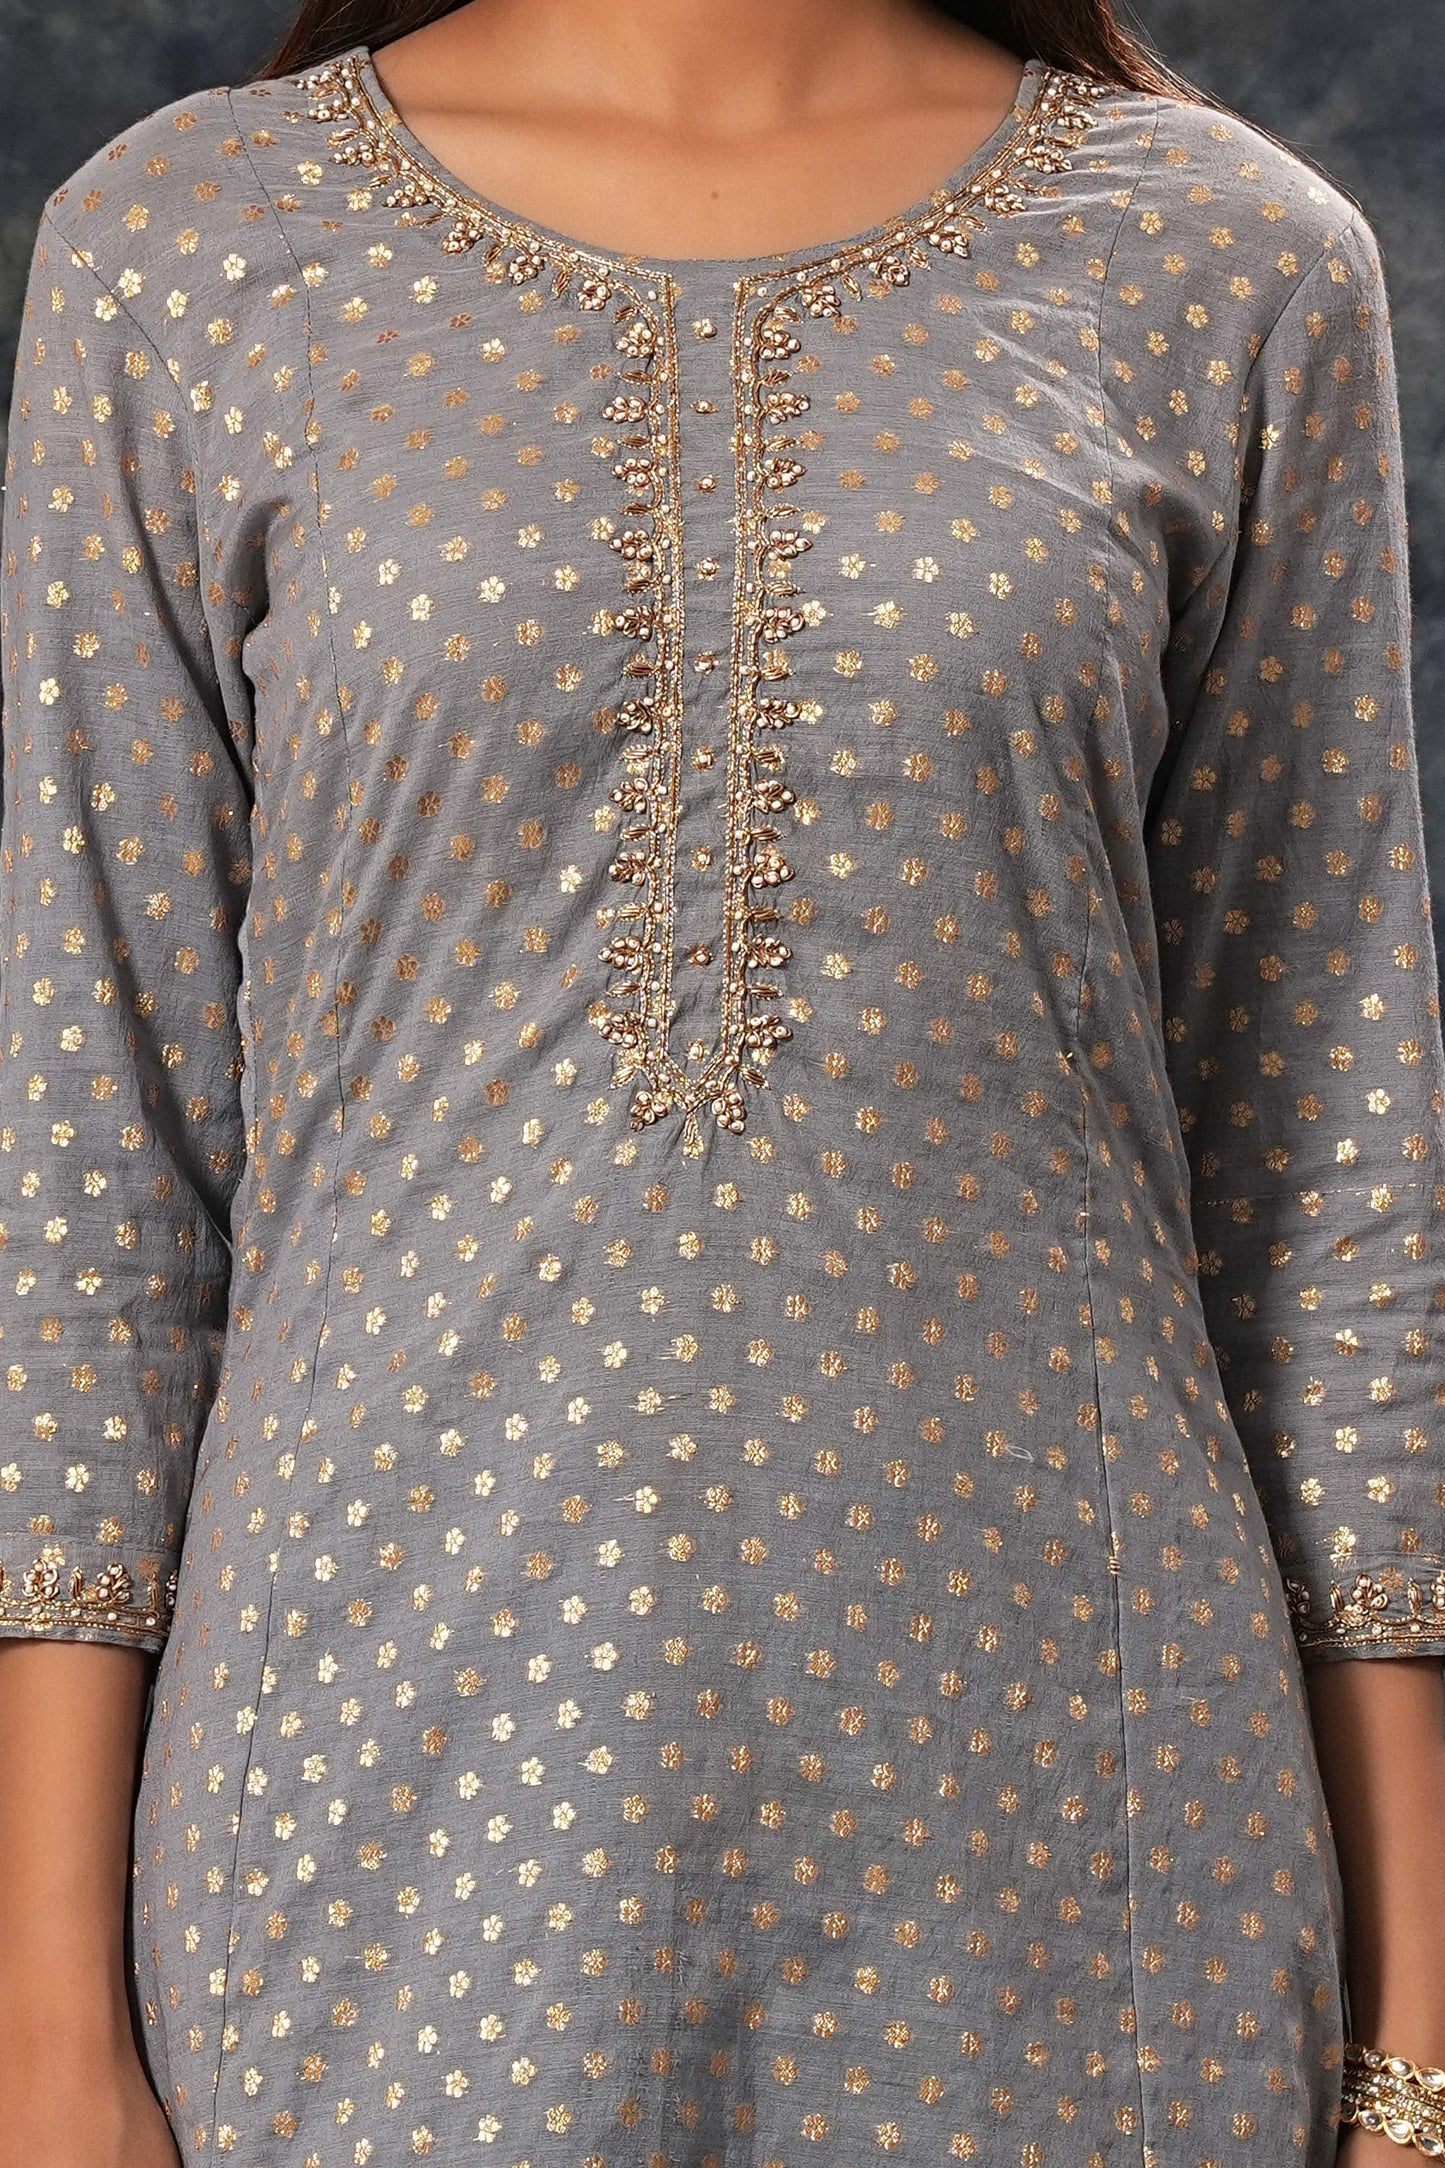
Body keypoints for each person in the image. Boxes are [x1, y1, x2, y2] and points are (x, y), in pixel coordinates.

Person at [1, 1, 1442, 2162]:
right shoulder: (191, 244)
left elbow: (1329, 1185)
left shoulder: (1228, 263)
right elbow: (90, 1184)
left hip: (1086, 1865)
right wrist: (42, 2035)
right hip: (369, 1851)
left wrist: (1416, 2047)